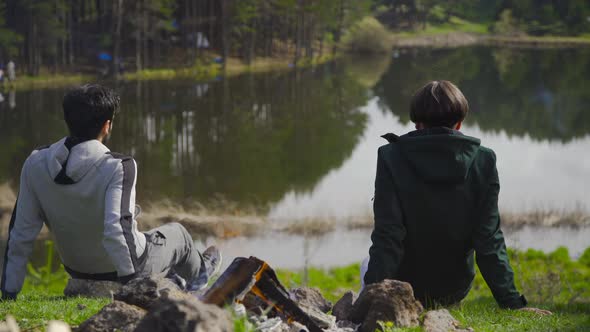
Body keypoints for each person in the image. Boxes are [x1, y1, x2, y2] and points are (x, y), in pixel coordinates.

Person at [1, 84, 221, 300]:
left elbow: (21, 232)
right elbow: (116, 231)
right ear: (107, 126)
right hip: (123, 271)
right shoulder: (119, 165)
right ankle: (201, 281)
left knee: (143, 233)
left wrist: (9, 291)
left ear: (68, 120)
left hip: (76, 268)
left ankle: (174, 279)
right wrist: (132, 288)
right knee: (178, 234)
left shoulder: (35, 162)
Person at [363, 80, 551, 314]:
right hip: (453, 287)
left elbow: (388, 235)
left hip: (402, 286)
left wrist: (367, 298)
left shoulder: (391, 156)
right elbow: (488, 238)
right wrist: (511, 302)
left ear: (417, 124)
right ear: (459, 124)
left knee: (367, 263)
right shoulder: (484, 160)